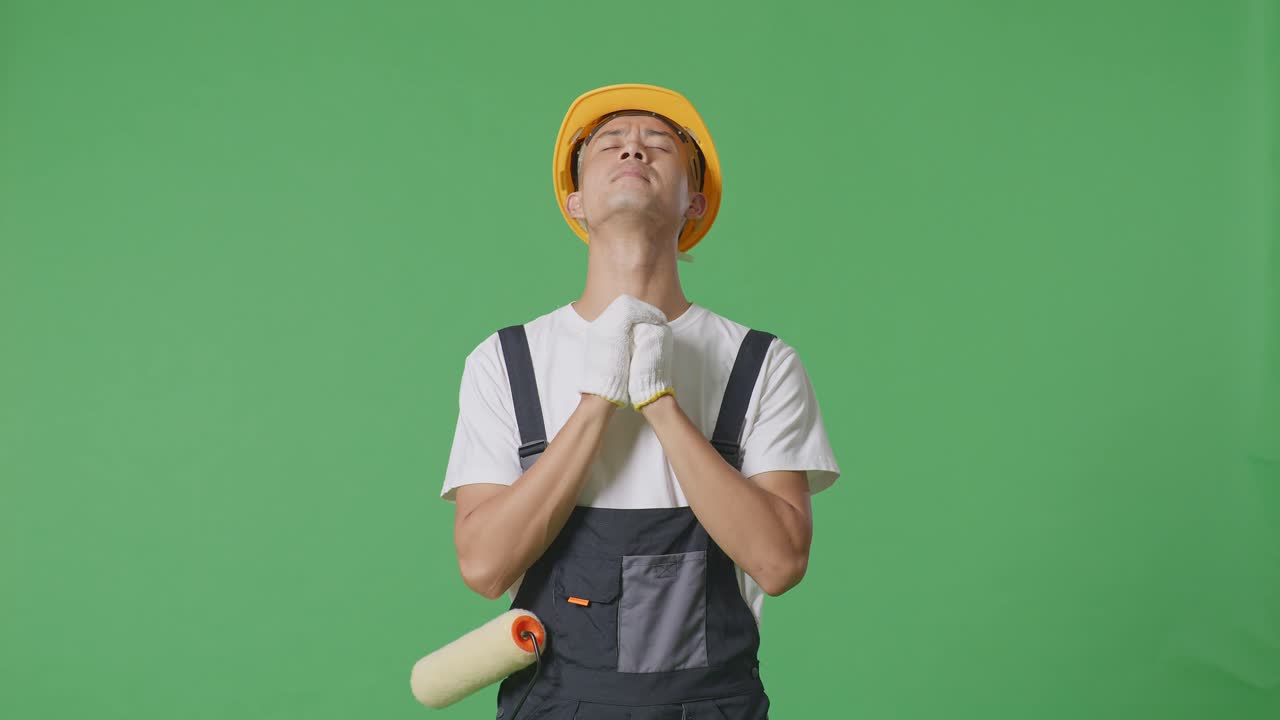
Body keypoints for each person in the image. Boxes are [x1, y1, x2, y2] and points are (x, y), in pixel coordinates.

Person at [440, 83, 841, 720]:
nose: (633, 150)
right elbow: (485, 568)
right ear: (575, 201)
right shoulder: (505, 361)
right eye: (609, 145)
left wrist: (660, 403)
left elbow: (780, 562)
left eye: (659, 145)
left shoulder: (760, 363)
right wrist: (597, 402)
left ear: (694, 200)